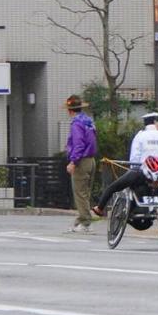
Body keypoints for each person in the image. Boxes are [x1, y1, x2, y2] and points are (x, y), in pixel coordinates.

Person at [91, 155, 158, 226]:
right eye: (154, 181)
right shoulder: (134, 175)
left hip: (156, 195)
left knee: (147, 224)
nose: (157, 183)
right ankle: (127, 217)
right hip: (138, 196)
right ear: (147, 175)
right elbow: (112, 188)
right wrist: (100, 207)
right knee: (141, 223)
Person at [65, 94, 97, 233]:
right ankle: (81, 220)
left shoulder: (77, 124)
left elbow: (78, 144)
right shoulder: (88, 121)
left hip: (82, 161)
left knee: (80, 192)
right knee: (86, 192)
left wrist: (73, 161)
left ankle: (84, 222)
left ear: (70, 110)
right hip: (91, 160)